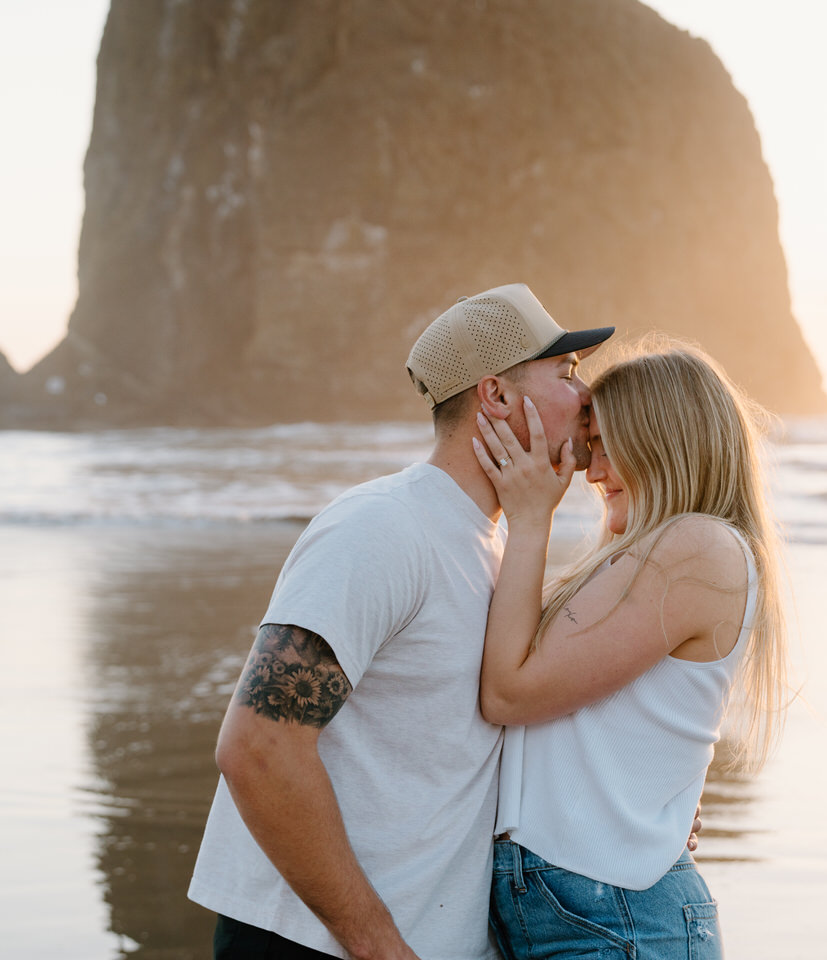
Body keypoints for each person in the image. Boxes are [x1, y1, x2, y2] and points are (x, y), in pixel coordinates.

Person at [187, 282, 613, 960]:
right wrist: (381, 947)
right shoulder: (381, 528)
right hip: (313, 945)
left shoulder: (494, 544)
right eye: (564, 373)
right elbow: (259, 750)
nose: (586, 394)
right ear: (495, 397)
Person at [470, 345, 788, 959]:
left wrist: (531, 518)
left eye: (606, 445)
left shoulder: (699, 548)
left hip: (617, 917)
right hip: (578, 908)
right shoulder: (645, 557)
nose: (591, 471)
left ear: (661, 442)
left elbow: (510, 693)